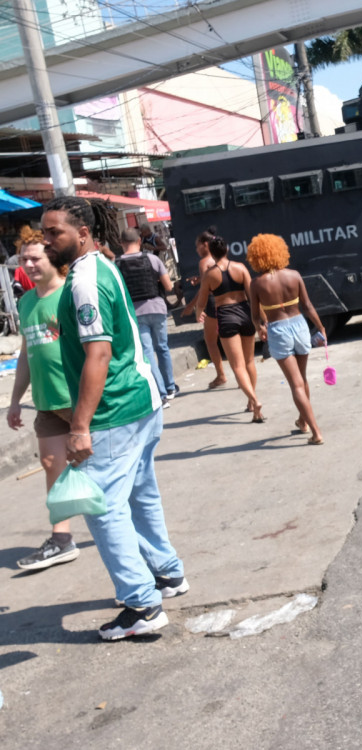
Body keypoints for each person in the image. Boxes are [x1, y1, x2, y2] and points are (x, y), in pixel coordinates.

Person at [39, 195, 187, 641]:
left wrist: (80, 425)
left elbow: (98, 354)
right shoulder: (101, 266)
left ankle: (142, 603)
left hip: (113, 413)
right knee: (140, 496)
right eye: (44, 233)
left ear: (81, 233)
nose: (47, 241)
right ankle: (167, 573)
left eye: (54, 233)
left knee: (102, 509)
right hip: (140, 402)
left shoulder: (86, 280)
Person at [6, 226, 79, 571]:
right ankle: (62, 539)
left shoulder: (70, 294)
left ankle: (126, 528)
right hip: (47, 401)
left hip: (78, 399)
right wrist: (16, 399)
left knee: (100, 469)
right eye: (24, 259)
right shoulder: (26, 300)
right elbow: (26, 353)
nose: (29, 264)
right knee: (53, 466)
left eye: (35, 258)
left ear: (54, 259)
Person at [247, 234, 327, 445]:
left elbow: (255, 315)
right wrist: (320, 327)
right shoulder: (294, 275)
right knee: (302, 379)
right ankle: (303, 421)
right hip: (300, 325)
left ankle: (316, 432)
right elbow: (308, 306)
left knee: (296, 385)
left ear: (257, 257)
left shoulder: (256, 284)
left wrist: (260, 328)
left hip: (278, 330)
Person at [192, 229, 264, 422]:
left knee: (237, 365)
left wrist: (199, 313)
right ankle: (251, 401)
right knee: (249, 362)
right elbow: (253, 297)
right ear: (227, 249)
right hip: (245, 313)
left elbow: (202, 301)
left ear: (212, 253)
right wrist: (261, 323)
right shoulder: (241, 268)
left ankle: (254, 400)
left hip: (226, 316)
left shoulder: (209, 274)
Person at [115, 228, 178, 407]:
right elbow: (168, 287)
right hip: (157, 308)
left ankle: (161, 393)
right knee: (163, 348)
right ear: (140, 241)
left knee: (147, 353)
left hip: (134, 313)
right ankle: (171, 387)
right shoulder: (153, 259)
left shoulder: (116, 265)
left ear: (121, 243)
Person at [181, 227, 227, 390]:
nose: (196, 249)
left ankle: (221, 375)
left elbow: (204, 290)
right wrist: (200, 279)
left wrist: (191, 306)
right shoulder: (220, 258)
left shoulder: (203, 262)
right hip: (226, 301)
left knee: (211, 341)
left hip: (212, 304)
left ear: (205, 244)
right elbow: (212, 278)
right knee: (228, 340)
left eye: (197, 246)